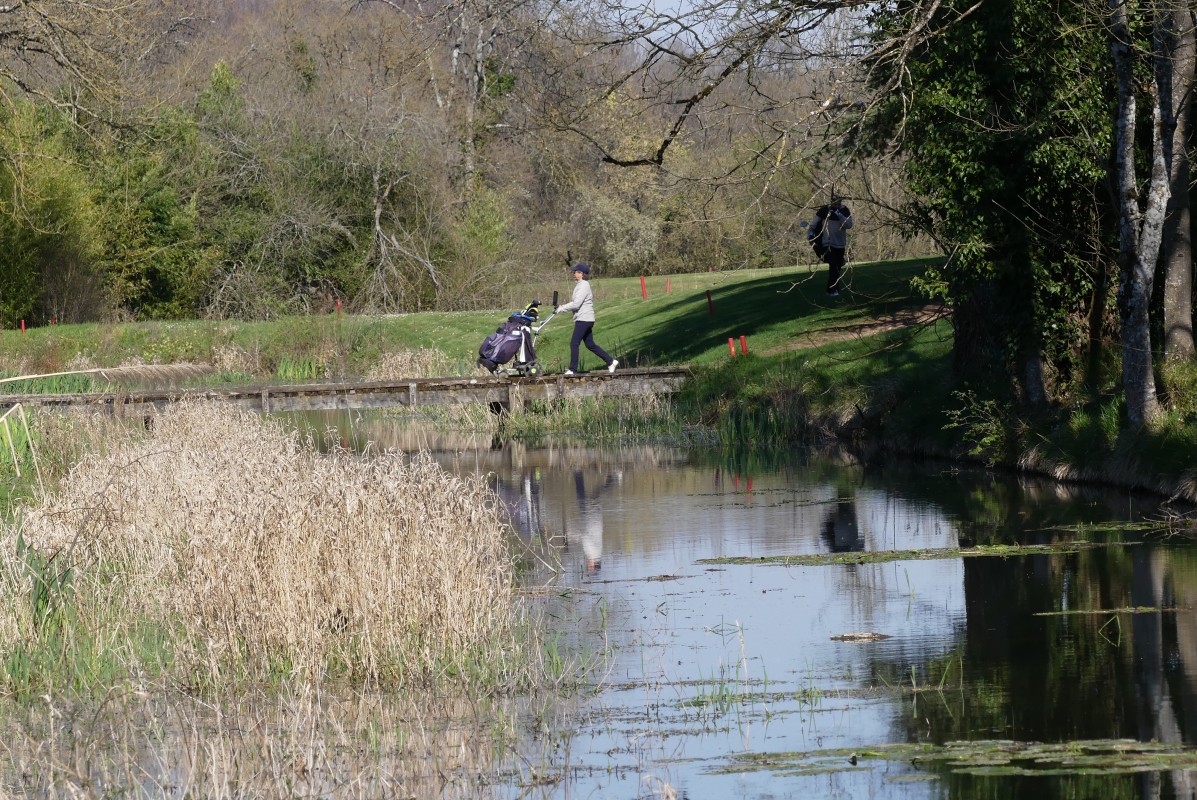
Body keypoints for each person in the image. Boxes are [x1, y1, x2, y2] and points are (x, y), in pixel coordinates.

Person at [556, 262, 618, 376]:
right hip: (585, 319)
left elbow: (576, 304)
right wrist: (561, 307)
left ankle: (573, 369)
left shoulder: (584, 285)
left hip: (584, 319)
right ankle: (610, 361)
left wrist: (561, 308)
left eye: (576, 272)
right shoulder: (579, 285)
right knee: (590, 344)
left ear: (582, 274)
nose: (574, 274)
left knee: (574, 343)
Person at [807, 194, 854, 296]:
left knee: (837, 267)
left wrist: (838, 214)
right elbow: (813, 225)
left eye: (837, 202)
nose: (835, 203)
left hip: (840, 244)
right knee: (833, 266)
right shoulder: (824, 210)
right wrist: (810, 236)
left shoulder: (844, 210)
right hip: (828, 243)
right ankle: (831, 290)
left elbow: (849, 225)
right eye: (833, 201)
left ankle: (834, 289)